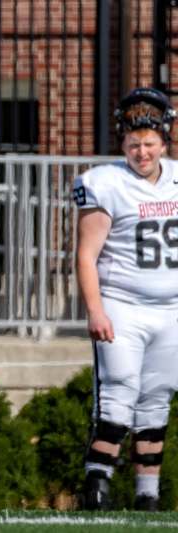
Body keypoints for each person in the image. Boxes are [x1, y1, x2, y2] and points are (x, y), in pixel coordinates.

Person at [73, 87, 178, 511]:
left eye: (149, 143)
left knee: (157, 399)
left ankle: (147, 495)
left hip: (171, 308)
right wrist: (95, 309)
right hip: (123, 303)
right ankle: (97, 486)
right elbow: (86, 254)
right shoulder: (104, 182)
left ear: (164, 142)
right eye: (134, 144)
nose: (142, 152)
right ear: (122, 144)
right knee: (118, 392)